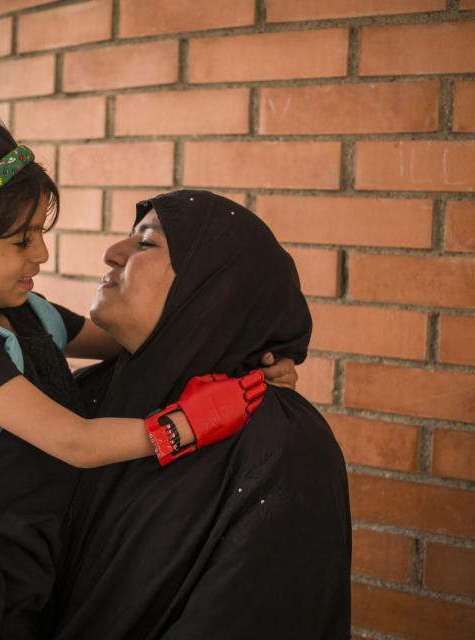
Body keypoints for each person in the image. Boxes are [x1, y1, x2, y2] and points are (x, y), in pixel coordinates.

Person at [0, 115, 275, 640]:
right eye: (20, 241)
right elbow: (76, 443)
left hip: (28, 556)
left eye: (39, 233)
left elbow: (131, 341)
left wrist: (247, 358)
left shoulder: (27, 312)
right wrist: (186, 424)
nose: (41, 254)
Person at [53, 190, 352, 639]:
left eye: (146, 243)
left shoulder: (283, 448)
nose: (112, 254)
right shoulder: (85, 398)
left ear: (211, 290)